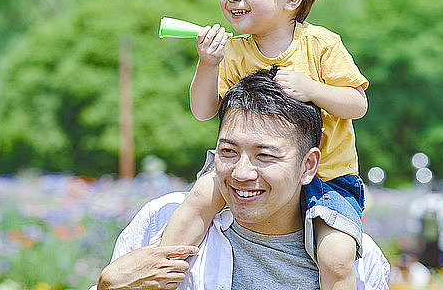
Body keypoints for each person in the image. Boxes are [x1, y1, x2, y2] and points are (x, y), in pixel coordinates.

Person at [160, 0, 369, 290]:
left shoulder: (320, 44)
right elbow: (204, 110)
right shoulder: (236, 51)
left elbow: (357, 104)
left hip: (330, 177)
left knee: (335, 256)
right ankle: (156, 273)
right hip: (249, 167)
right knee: (197, 200)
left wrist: (312, 89)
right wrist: (208, 64)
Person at [95, 69, 389, 289]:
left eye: (265, 156)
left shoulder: (356, 261)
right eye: (228, 151)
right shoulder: (161, 220)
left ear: (308, 166)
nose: (241, 173)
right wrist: (109, 285)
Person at [407, 179, 443, 270]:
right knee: (441, 267)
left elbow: (413, 226)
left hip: (424, 242)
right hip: (442, 243)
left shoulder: (420, 202)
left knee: (425, 266)